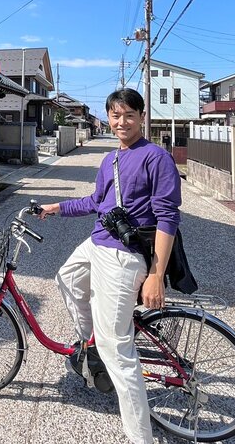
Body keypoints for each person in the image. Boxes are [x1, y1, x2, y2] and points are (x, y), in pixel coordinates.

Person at [38, 88, 181, 444]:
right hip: (97, 244)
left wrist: (155, 276)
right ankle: (94, 345)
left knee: (120, 352)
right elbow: (96, 202)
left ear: (142, 117)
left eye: (129, 115)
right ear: (108, 117)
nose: (122, 122)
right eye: (115, 115)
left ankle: (140, 438)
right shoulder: (110, 160)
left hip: (124, 256)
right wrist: (59, 208)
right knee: (67, 277)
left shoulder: (156, 158)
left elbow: (167, 219)